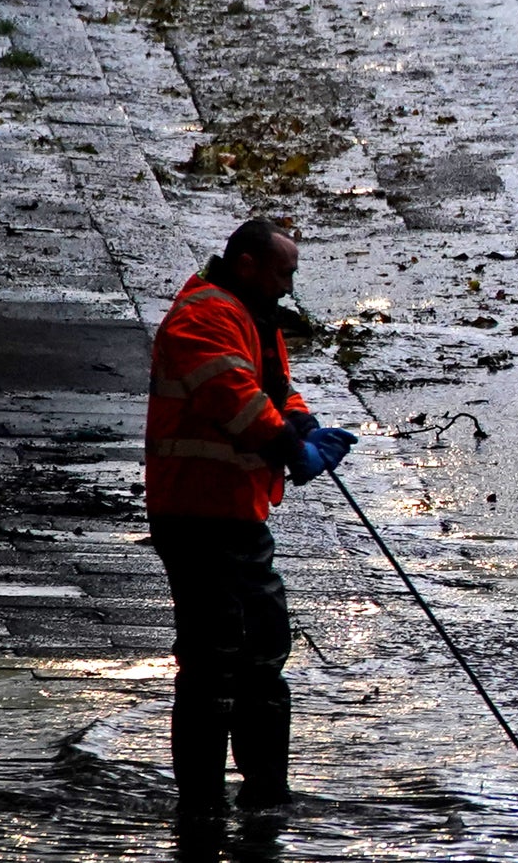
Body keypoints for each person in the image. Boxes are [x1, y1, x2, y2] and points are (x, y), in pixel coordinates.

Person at [143, 217, 357, 816]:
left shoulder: (248, 314)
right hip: (198, 510)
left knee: (259, 649)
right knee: (216, 661)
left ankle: (262, 793)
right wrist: (291, 448)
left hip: (233, 509)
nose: (289, 286)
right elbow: (237, 401)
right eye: (283, 272)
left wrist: (304, 424)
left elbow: (273, 387)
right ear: (248, 265)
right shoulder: (206, 316)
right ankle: (209, 804)